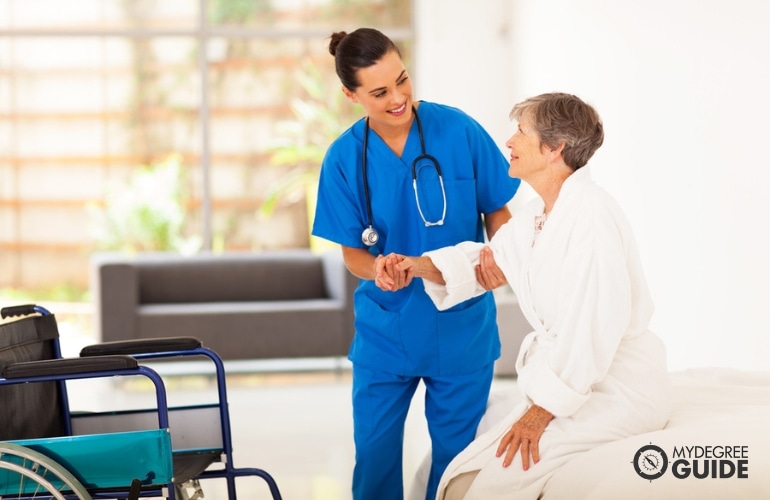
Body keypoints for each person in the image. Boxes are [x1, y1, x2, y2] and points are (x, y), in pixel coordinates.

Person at [397, 93, 673, 499]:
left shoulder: (591, 218)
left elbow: (591, 329)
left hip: (615, 386)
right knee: (462, 453)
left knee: (504, 472)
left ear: (554, 149)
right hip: (568, 376)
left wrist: (542, 411)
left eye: (521, 132)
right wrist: (414, 265)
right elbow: (485, 261)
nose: (508, 142)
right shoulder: (539, 214)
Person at [311, 28, 520, 500]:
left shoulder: (458, 130)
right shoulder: (345, 158)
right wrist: (376, 268)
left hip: (461, 327)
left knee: (456, 464)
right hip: (388, 331)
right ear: (351, 94)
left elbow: (498, 211)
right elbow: (353, 253)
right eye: (380, 92)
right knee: (376, 458)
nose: (399, 97)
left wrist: (500, 255)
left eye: (402, 80)